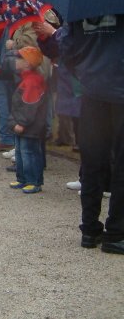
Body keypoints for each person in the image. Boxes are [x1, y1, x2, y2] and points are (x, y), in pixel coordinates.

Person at [35, 15, 124, 252]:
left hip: (92, 91)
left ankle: (89, 229)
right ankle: (115, 233)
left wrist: (86, 71)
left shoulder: (82, 9)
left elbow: (66, 51)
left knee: (93, 163)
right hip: (118, 90)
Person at [6, 46, 48, 194]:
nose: (16, 61)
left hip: (30, 125)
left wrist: (21, 123)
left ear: (28, 63)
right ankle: (23, 178)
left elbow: (30, 105)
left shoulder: (32, 81)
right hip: (23, 123)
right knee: (20, 152)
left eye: (20, 58)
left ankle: (33, 181)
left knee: (29, 152)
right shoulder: (27, 79)